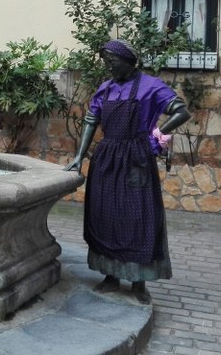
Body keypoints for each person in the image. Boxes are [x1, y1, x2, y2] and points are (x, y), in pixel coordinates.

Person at [65, 39, 190, 304]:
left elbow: (181, 111)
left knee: (138, 216)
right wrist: (79, 156)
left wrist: (158, 133)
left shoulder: (151, 86)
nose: (109, 68)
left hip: (136, 159)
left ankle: (138, 282)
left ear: (128, 61)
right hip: (107, 157)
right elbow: (91, 121)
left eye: (113, 63)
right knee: (105, 214)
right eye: (106, 63)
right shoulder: (106, 89)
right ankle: (110, 276)